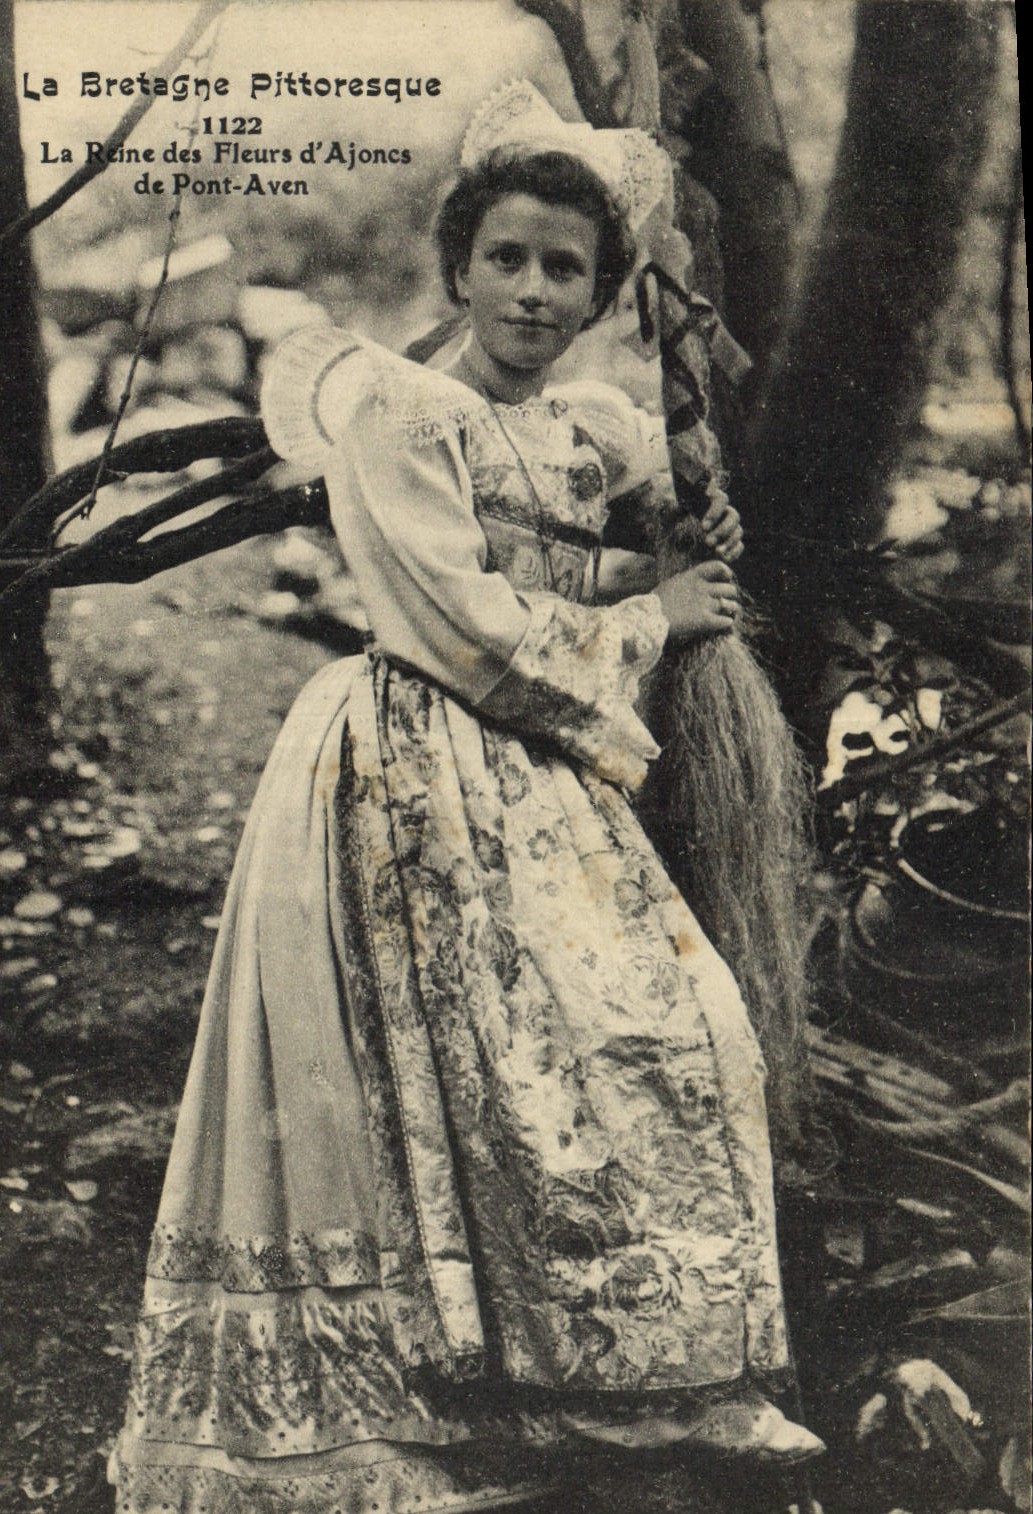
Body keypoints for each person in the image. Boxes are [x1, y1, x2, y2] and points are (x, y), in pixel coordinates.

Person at [110, 79, 823, 1514]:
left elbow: (550, 573)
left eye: (566, 267)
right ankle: (401, 1394)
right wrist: (652, 621)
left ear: (603, 294)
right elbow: (461, 622)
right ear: (459, 267)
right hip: (405, 763)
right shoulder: (396, 409)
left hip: (537, 775)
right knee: (436, 1066)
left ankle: (629, 1373)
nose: (534, 291)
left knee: (669, 1022)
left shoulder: (586, 427)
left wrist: (659, 565)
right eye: (507, 257)